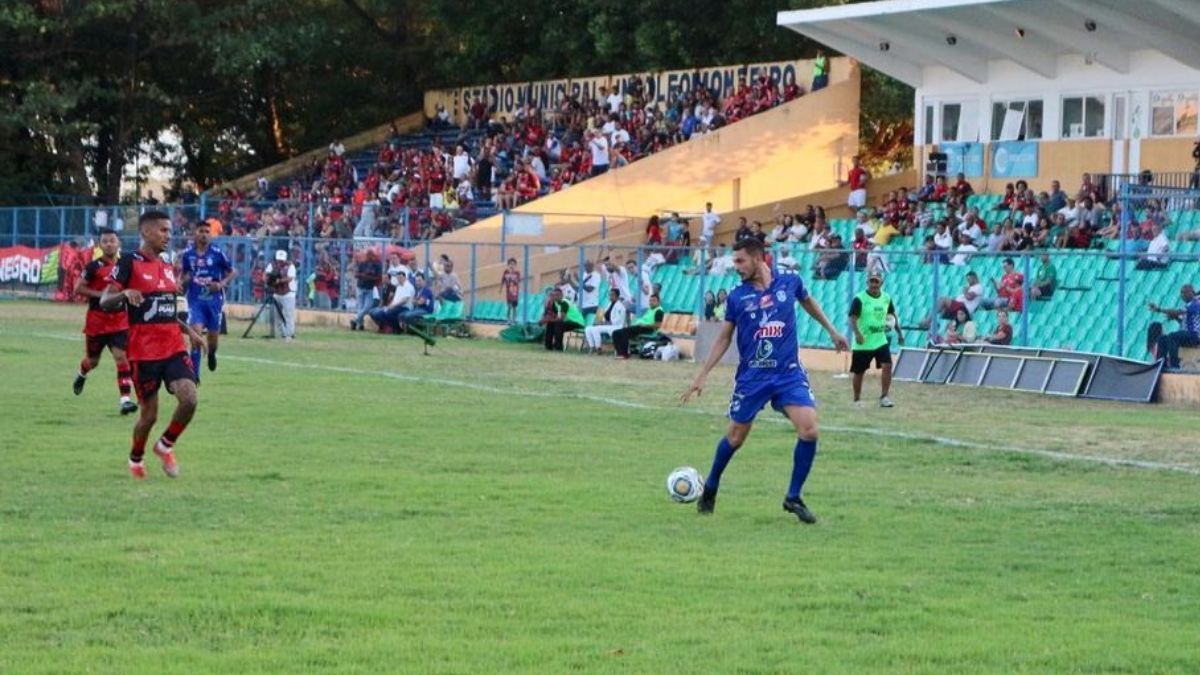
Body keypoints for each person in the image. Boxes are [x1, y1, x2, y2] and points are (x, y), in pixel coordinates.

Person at [680, 238, 849, 524]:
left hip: (788, 374)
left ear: (759, 258)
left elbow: (808, 302)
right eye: (734, 262)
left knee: (809, 430)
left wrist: (832, 331)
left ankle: (793, 497)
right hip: (753, 378)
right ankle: (710, 487)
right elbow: (724, 338)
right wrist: (702, 374)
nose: (736, 267)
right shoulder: (737, 297)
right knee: (736, 437)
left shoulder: (790, 282)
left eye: (740, 261)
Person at [100, 211, 205, 480]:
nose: (168, 236)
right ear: (146, 232)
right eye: (163, 231)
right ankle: (136, 458)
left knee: (190, 398)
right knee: (149, 417)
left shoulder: (168, 266)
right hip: (143, 353)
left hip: (173, 347)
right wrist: (124, 292)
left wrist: (188, 332)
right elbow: (104, 300)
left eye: (170, 231)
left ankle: (165, 445)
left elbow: (165, 309)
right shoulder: (128, 263)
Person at [72, 227, 137, 415]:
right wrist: (101, 295)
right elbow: (78, 288)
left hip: (119, 321)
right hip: (97, 322)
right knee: (93, 361)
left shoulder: (126, 265)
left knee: (122, 358)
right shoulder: (93, 267)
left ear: (118, 243)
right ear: (100, 245)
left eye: (112, 241)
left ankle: (125, 400)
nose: (109, 244)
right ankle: (82, 373)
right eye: (105, 241)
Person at [178, 219, 236, 380]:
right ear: (194, 234)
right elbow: (185, 273)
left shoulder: (217, 254)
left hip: (214, 301)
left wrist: (221, 283)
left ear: (211, 235)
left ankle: (211, 354)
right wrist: (179, 283)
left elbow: (232, 271)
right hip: (195, 300)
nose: (204, 235)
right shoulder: (188, 254)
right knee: (195, 333)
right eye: (200, 231)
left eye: (206, 232)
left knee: (213, 338)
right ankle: (194, 375)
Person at [849, 270, 903, 408]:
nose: (874, 284)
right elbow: (852, 318)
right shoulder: (859, 298)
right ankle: (856, 399)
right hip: (863, 343)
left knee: (887, 366)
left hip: (880, 340)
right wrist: (857, 334)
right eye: (871, 281)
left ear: (881, 283)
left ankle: (884, 397)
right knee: (859, 372)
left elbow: (892, 316)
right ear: (867, 282)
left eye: (876, 281)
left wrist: (899, 333)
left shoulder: (886, 298)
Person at [1149, 284, 1200, 370]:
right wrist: (1176, 318)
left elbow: (1177, 312)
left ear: (1192, 293)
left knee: (1173, 337)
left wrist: (1159, 309)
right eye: (1181, 293)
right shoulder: (1187, 306)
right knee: (1163, 339)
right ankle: (1161, 365)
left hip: (1194, 336)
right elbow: (1183, 322)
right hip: (1187, 335)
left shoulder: (1195, 304)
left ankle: (1175, 365)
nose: (1182, 295)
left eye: (1185, 292)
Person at [612, 294, 665, 359]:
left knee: (624, 332)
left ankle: (624, 354)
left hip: (647, 329)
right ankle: (619, 352)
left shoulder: (659, 311)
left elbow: (658, 325)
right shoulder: (650, 309)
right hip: (639, 327)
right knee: (615, 332)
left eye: (653, 301)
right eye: (650, 301)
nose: (651, 302)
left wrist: (645, 325)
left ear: (658, 302)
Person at [265, 250, 297, 342]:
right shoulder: (272, 265)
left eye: (281, 260)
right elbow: (266, 274)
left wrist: (279, 281)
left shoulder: (290, 266)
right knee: (277, 316)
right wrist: (268, 280)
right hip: (276, 293)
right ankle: (283, 333)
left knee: (288, 315)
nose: (280, 262)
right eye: (278, 260)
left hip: (288, 293)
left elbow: (290, 278)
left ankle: (289, 335)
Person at [584, 289, 627, 353]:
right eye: (610, 295)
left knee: (595, 329)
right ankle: (592, 347)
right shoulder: (609, 304)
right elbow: (605, 316)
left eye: (612, 295)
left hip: (616, 326)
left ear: (617, 296)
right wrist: (600, 322)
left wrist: (604, 323)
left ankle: (598, 348)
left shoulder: (620, 306)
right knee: (588, 329)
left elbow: (617, 321)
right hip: (607, 325)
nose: (611, 297)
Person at [350, 249, 382, 331]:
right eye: (368, 255)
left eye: (371, 255)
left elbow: (378, 277)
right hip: (360, 287)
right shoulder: (362, 263)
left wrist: (367, 277)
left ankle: (355, 319)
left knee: (367, 307)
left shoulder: (377, 265)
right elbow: (357, 274)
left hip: (370, 288)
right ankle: (360, 325)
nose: (369, 257)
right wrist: (363, 276)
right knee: (360, 307)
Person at [501, 258, 522, 324]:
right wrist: (500, 289)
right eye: (510, 264)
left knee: (514, 307)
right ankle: (508, 319)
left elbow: (518, 281)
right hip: (508, 293)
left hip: (515, 293)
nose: (512, 266)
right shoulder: (506, 272)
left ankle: (514, 319)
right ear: (508, 265)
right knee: (509, 306)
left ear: (515, 265)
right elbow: (502, 280)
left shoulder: (517, 273)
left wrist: (514, 279)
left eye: (513, 264)